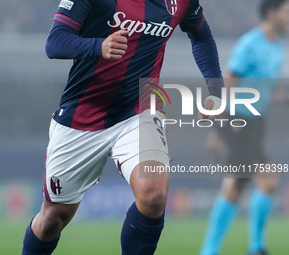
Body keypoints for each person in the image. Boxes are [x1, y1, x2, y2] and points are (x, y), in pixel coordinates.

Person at [21, 0, 224, 254]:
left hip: (139, 111)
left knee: (154, 193)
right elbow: (55, 42)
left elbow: (201, 36)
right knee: (53, 219)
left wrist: (216, 91)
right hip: (82, 116)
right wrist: (98, 45)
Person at [199, 1, 289, 255]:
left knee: (235, 187)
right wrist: (217, 121)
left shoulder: (278, 46)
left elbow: (265, 90)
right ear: (272, 14)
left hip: (255, 124)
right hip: (238, 120)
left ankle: (209, 251)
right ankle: (256, 247)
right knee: (269, 181)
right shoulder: (251, 43)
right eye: (287, 11)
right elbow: (229, 80)